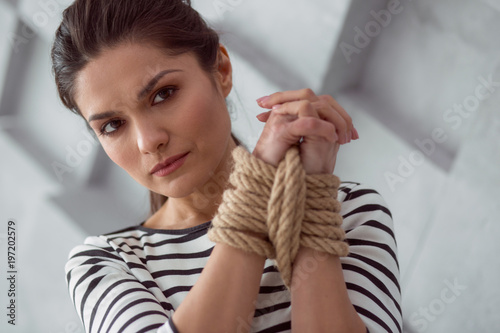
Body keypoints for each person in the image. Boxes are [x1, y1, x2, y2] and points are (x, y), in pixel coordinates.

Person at [52, 0, 402, 332]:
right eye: (112, 125)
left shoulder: (348, 212)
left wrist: (311, 200)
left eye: (163, 94)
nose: (148, 141)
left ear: (221, 70)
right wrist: (256, 188)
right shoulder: (105, 264)